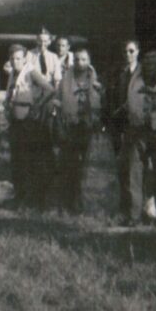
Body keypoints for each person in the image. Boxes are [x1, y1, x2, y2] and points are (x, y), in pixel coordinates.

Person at [123, 48, 156, 224]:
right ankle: (134, 216)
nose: (150, 63)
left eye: (154, 59)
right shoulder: (133, 80)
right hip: (138, 132)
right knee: (134, 174)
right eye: (146, 59)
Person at [5, 44, 55, 209]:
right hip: (15, 120)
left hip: (28, 121)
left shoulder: (30, 71)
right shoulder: (13, 73)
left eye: (18, 58)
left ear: (25, 58)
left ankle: (30, 199)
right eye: (12, 58)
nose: (15, 61)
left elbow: (49, 89)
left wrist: (38, 105)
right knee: (16, 160)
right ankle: (19, 197)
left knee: (28, 161)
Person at [52, 47, 102, 213]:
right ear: (74, 61)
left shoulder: (94, 79)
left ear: (89, 61)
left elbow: (100, 102)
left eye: (84, 59)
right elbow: (58, 100)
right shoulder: (66, 79)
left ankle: (86, 203)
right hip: (70, 127)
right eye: (78, 59)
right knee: (69, 165)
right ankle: (68, 203)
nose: (80, 62)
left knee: (87, 166)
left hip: (88, 127)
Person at [106, 39, 140, 219]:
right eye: (125, 51)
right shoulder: (118, 72)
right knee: (121, 165)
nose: (128, 55)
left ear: (138, 52)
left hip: (135, 125)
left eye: (131, 51)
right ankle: (123, 203)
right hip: (118, 124)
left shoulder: (142, 72)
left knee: (134, 166)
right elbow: (111, 97)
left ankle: (136, 206)